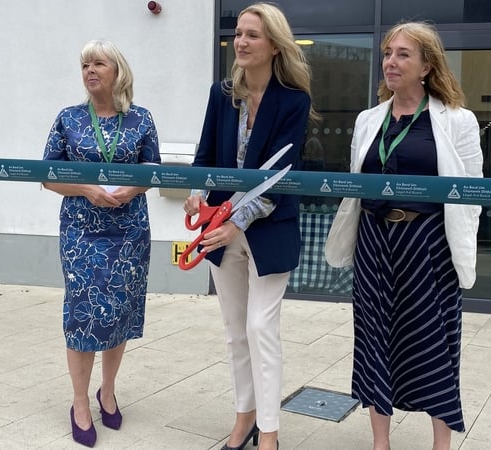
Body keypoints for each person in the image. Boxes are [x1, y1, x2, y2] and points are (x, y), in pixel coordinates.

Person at [326, 22, 483, 450]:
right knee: (374, 339)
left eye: (403, 55)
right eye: (388, 53)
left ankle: (441, 444)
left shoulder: (458, 121)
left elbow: (473, 193)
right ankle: (381, 443)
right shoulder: (368, 120)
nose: (391, 62)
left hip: (428, 245)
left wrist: (458, 245)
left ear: (427, 66)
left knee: (434, 342)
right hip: (375, 242)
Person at [182, 3, 317, 450]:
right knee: (235, 330)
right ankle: (244, 418)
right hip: (219, 229)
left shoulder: (293, 101)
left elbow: (281, 175)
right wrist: (197, 194)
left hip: (266, 228)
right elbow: (205, 159)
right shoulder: (222, 95)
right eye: (237, 33)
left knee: (261, 327)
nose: (240, 41)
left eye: (251, 35)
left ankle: (271, 432)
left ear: (275, 45)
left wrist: (236, 224)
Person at [42, 39, 160, 448]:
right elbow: (47, 175)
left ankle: (107, 390)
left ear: (117, 71)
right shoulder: (68, 119)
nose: (90, 70)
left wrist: (131, 189)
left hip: (128, 229)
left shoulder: (140, 119)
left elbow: (153, 172)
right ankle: (79, 402)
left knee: (120, 310)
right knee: (82, 312)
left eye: (99, 63)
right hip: (82, 232)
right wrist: (86, 189)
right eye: (84, 65)